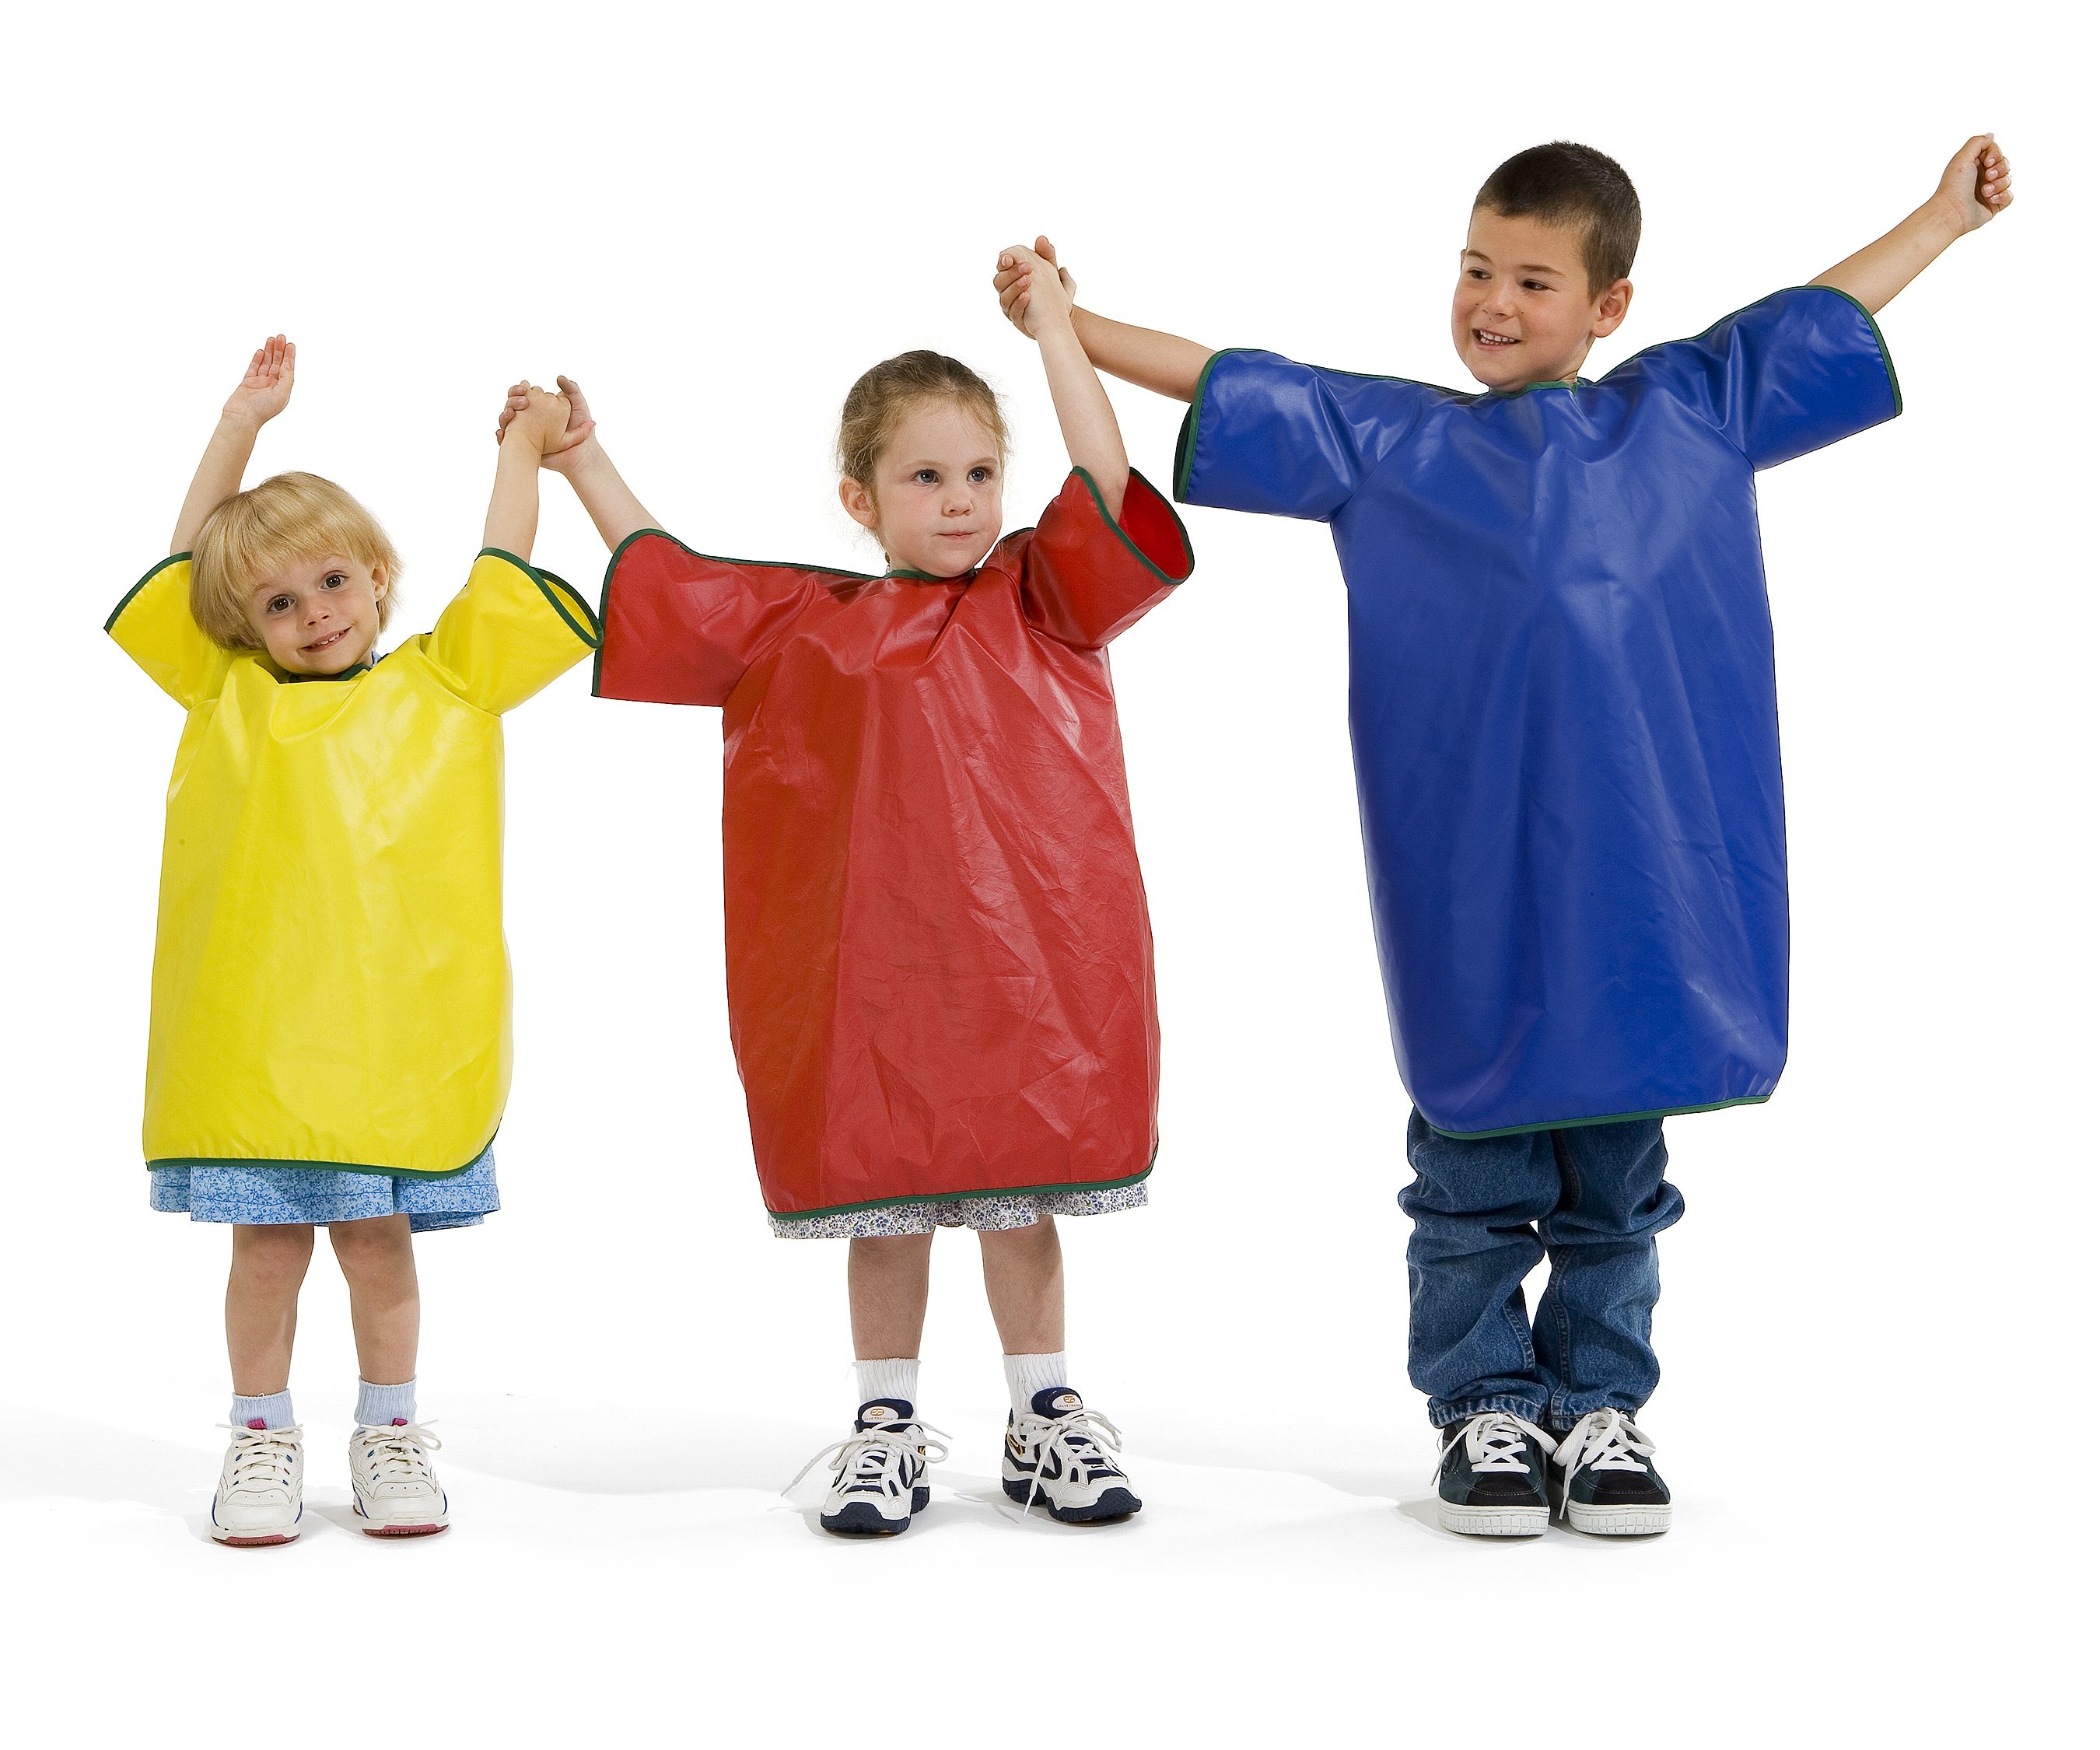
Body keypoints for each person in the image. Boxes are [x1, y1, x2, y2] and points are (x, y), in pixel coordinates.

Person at [996, 135, 2014, 1536]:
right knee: (1472, 1161)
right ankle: (1484, 1402)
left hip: (1649, 885)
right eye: (1476, 267)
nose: (1491, 300)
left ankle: (1601, 1408)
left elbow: (1819, 315)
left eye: (1534, 279)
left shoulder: (1691, 411)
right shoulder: (1400, 442)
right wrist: (1069, 322)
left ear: (1610, 305)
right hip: (1475, 877)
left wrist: (1942, 220)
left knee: (1619, 1177)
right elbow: (1234, 374)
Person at [501, 250, 1191, 1535]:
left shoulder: (1046, 596)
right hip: (880, 982)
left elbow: (1106, 485)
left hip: (1030, 974)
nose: (962, 499)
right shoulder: (801, 624)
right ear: (859, 499)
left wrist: (1056, 332)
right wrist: (582, 455)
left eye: (981, 473)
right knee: (890, 1197)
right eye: (926, 476)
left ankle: (1046, 1414)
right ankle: (886, 1420)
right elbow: (671, 573)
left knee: (1023, 1193)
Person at [111, 338, 599, 1543]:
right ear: (242, 627)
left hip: (389, 1052)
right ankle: (262, 1435)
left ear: (380, 577)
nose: (312, 613)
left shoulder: (449, 683)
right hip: (260, 1055)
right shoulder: (229, 696)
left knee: (379, 1249)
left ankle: (390, 1428)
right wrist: (240, 426)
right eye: (276, 603)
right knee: (267, 1251)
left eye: (331, 582)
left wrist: (524, 449)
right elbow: (182, 573)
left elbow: (506, 561)